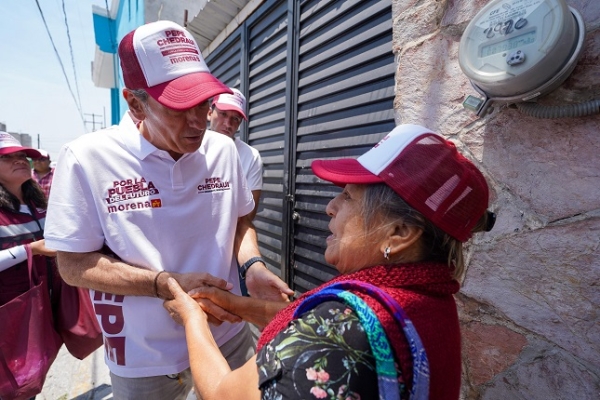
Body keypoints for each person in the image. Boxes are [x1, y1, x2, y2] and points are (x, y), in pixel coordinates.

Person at [43, 20, 293, 399]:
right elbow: (73, 266)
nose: (198, 122)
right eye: (178, 108)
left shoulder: (224, 150)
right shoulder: (87, 158)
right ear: (135, 103)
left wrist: (252, 267)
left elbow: (239, 222)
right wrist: (162, 284)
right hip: (144, 355)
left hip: (226, 332)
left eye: (203, 102)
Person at [163, 124, 496, 400]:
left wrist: (192, 318)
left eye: (349, 196)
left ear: (399, 232)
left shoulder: (351, 328)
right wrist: (234, 304)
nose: (331, 206)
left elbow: (225, 394)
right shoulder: (425, 296)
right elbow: (307, 325)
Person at [0, 132, 59, 399]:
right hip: (7, 312)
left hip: (37, 308)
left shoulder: (37, 204)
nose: (20, 160)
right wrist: (31, 250)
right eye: (8, 157)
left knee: (28, 380)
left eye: (22, 155)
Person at [208, 88, 263, 220]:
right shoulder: (188, 148)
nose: (228, 124)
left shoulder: (251, 156)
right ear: (209, 113)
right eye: (223, 114)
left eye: (235, 118)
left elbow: (247, 217)